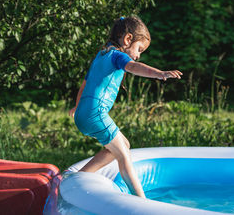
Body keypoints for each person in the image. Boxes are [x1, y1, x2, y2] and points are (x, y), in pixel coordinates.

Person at [68, 16, 182, 198]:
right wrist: (160, 74)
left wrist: (77, 106)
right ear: (128, 39)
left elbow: (85, 82)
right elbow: (134, 67)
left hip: (85, 113)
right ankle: (141, 199)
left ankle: (78, 176)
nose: (138, 55)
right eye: (139, 49)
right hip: (95, 114)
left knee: (119, 147)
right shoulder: (117, 56)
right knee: (123, 153)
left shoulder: (102, 54)